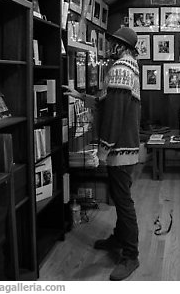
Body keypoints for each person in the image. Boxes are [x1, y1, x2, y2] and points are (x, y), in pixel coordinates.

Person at [63, 27, 141, 281]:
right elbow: (107, 103)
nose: (109, 46)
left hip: (118, 147)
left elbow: (114, 115)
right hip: (125, 145)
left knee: (124, 201)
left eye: (112, 43)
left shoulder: (120, 69)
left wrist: (103, 149)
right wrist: (80, 96)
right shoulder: (129, 67)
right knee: (120, 197)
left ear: (121, 47)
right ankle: (120, 239)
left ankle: (131, 255)